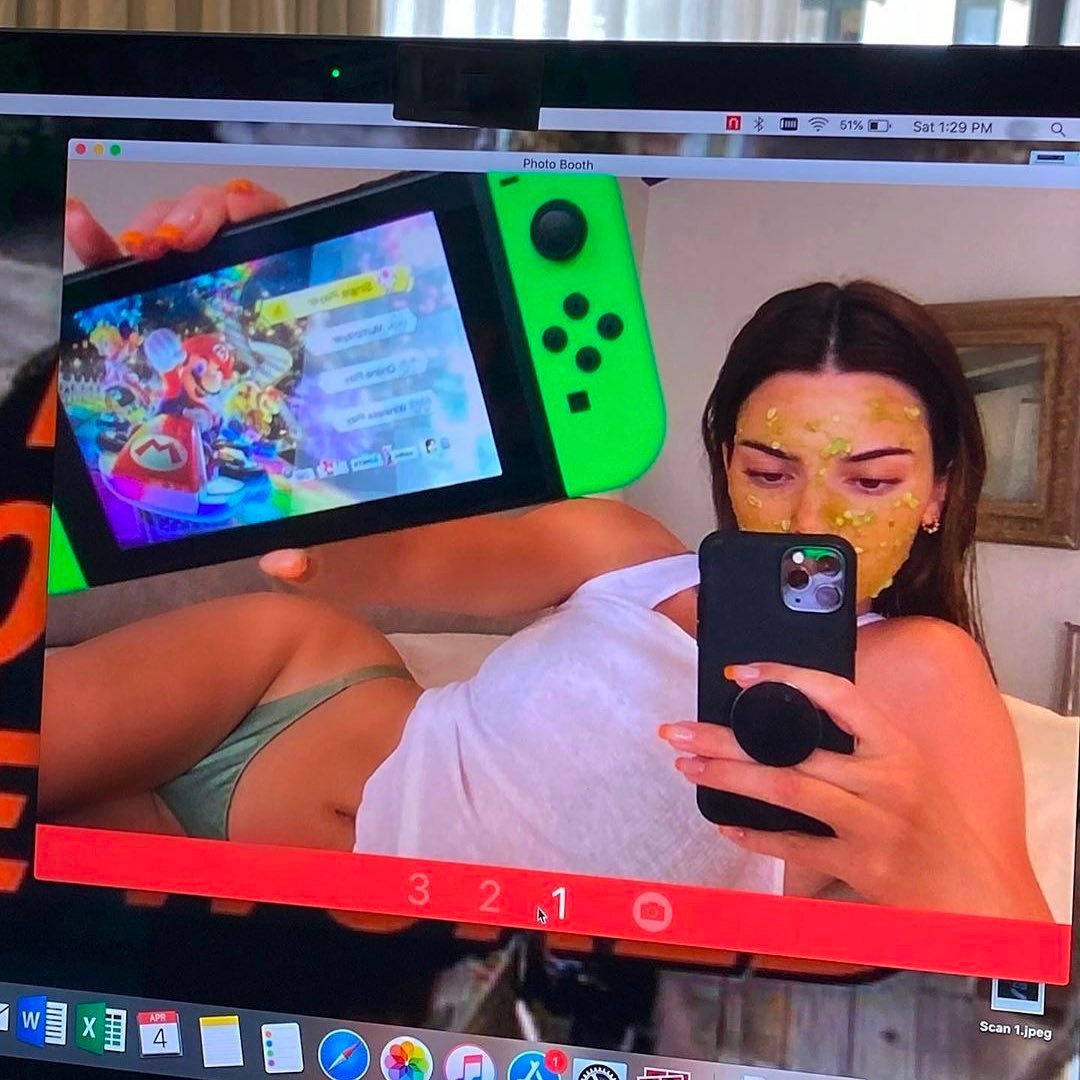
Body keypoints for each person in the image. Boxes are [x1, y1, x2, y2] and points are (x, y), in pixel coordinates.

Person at [40, 181, 1051, 920]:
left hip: (321, 924)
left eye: (870, 480)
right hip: (283, 684)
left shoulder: (923, 668)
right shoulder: (626, 547)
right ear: (724, 462)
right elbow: (386, 563)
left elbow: (1019, 991)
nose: (805, 522)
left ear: (940, 491)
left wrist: (927, 861)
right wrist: (287, 354)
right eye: (769, 469)